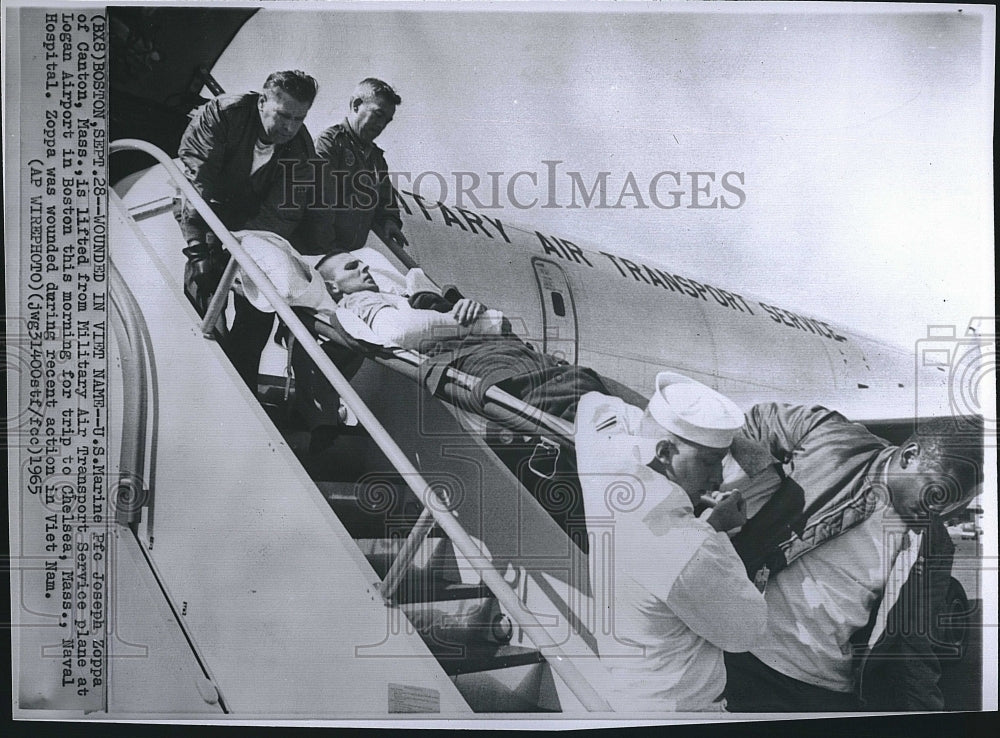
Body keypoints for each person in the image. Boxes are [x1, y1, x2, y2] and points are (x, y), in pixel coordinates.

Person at [723, 404, 983, 712]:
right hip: (746, 661)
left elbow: (914, 652)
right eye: (935, 493)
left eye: (953, 504)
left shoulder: (934, 545)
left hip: (824, 690)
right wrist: (748, 495)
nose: (937, 512)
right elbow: (746, 424)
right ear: (910, 455)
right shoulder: (830, 438)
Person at [573, 373, 767, 712]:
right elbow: (747, 632)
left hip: (626, 699)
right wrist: (717, 531)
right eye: (708, 462)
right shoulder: (687, 548)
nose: (718, 478)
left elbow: (593, 403)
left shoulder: (603, 462)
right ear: (664, 452)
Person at [175, 69, 327, 388]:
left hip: (254, 234)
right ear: (262, 102)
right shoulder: (221, 114)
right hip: (208, 222)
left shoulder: (300, 147)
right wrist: (199, 248)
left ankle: (242, 396)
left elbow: (283, 211)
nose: (290, 127)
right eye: (283, 115)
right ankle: (201, 389)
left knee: (258, 317)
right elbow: (196, 181)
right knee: (202, 300)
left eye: (299, 119)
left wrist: (244, 249)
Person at [314, 78, 408, 253]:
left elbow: (386, 201)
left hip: (347, 252)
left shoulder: (377, 159)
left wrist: (390, 220)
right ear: (356, 105)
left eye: (387, 120)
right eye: (378, 115)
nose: (381, 125)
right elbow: (319, 203)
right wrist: (330, 251)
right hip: (320, 250)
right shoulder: (330, 143)